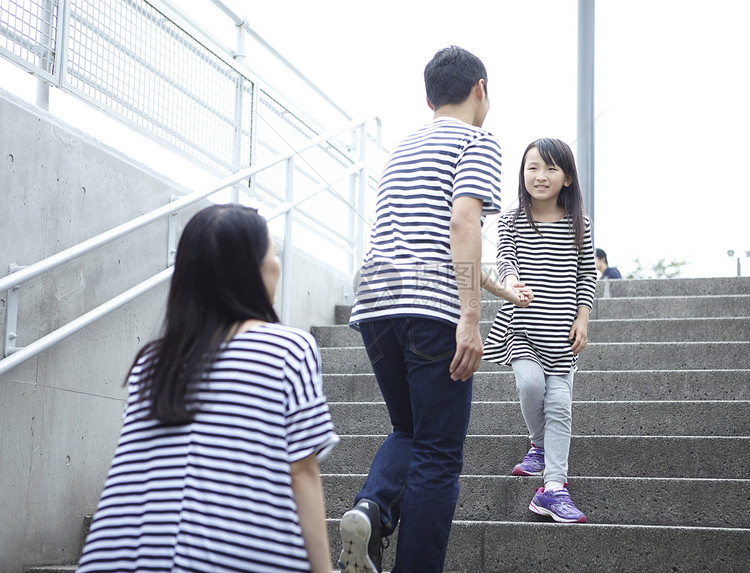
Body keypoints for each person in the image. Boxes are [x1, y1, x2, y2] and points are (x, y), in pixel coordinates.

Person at [339, 45, 529, 573]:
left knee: (409, 431)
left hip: (376, 306)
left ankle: (372, 512)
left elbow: (428, 237)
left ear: (428, 97)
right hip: (431, 313)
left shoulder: (403, 149)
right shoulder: (478, 140)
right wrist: (470, 317)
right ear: (481, 88)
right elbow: (464, 225)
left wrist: (498, 292)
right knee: (439, 455)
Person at [76, 204, 339, 573]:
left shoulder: (152, 363)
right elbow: (301, 473)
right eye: (274, 253)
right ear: (253, 270)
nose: (278, 265)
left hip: (120, 554)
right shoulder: (288, 350)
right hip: (233, 556)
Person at [483, 138, 598, 524]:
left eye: (550, 168)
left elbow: (585, 276)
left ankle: (553, 490)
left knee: (561, 405)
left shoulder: (579, 223)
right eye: (532, 167)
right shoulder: (511, 220)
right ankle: (538, 444)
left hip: (562, 334)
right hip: (522, 329)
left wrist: (582, 320)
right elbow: (505, 259)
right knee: (531, 386)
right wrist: (512, 283)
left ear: (567, 177)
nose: (540, 175)